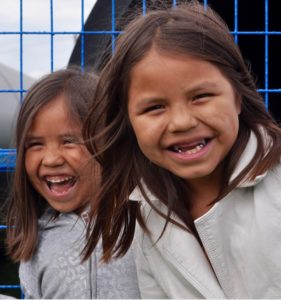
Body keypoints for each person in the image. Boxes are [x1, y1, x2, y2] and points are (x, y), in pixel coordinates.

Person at [83, 1, 281, 299]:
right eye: (155, 107)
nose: (181, 122)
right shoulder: (146, 214)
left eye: (201, 96)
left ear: (238, 97)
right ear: (129, 121)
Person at [5, 68, 140, 299]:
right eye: (35, 144)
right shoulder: (37, 242)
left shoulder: (145, 223)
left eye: (68, 141)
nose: (51, 159)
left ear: (107, 142)